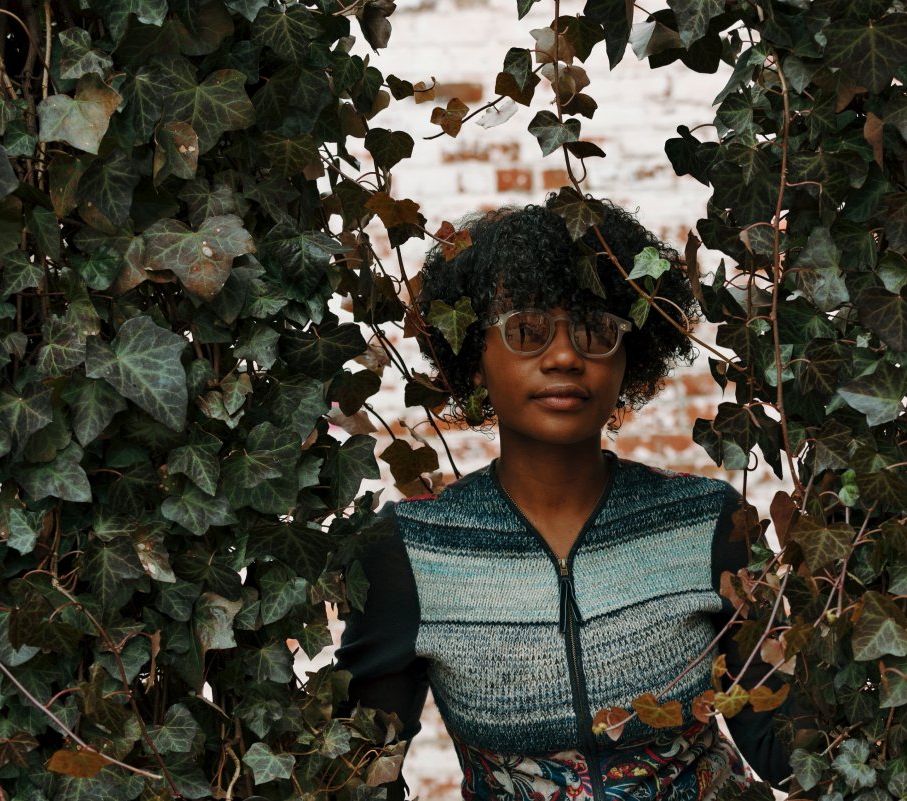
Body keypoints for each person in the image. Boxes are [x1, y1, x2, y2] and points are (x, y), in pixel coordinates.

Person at [335, 197, 790, 799]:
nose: (565, 356)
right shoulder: (411, 550)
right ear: (474, 357)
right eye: (527, 330)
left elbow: (789, 748)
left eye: (595, 330)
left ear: (629, 356)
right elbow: (360, 771)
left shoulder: (707, 521)